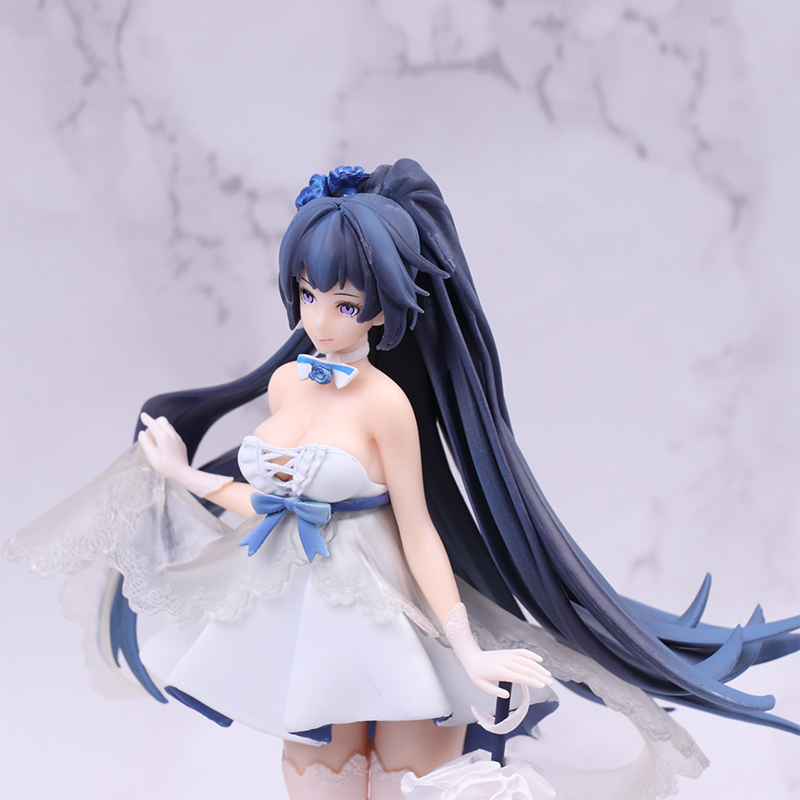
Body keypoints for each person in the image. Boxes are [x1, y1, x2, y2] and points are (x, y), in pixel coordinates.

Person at [6, 159, 798, 800]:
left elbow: (417, 529)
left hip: (386, 612)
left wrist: (469, 648)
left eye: (345, 304)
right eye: (308, 295)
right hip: (298, 617)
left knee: (413, 781)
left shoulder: (385, 403)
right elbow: (269, 504)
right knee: (316, 780)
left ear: (382, 311)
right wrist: (184, 475)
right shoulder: (287, 386)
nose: (321, 320)